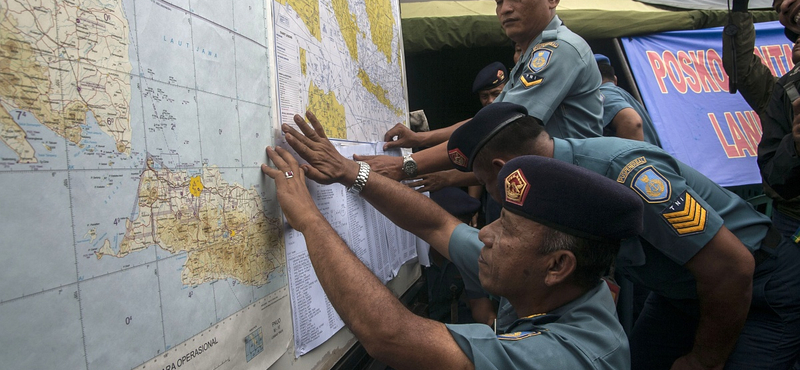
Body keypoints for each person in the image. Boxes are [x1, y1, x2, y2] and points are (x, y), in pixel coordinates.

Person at [262, 111, 643, 369]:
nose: (486, 233)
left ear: (558, 265)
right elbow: (437, 226)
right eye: (500, 220)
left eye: (506, 230)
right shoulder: (547, 280)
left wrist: (310, 220)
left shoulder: (570, 356)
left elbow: (390, 335)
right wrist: (351, 172)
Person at [447, 102, 800, 369]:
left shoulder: (624, 172)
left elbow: (732, 268)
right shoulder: (558, 184)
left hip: (758, 290)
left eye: (483, 183)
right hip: (678, 291)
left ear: (501, 169)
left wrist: (704, 359)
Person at [354, 0, 603, 181]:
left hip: (573, 185)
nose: (504, 9)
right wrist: (420, 139)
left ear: (552, 1)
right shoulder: (531, 54)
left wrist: (403, 166)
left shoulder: (558, 49)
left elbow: (498, 128)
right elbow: (486, 119)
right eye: (499, 1)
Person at [729, 0, 800, 244]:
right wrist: (739, 10)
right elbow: (743, 69)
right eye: (779, 7)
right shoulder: (782, 92)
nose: (784, 6)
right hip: (792, 219)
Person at [594, 54, 662, 147]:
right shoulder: (625, 96)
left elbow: (632, 122)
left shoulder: (605, 94)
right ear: (615, 79)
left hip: (641, 160)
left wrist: (630, 161)